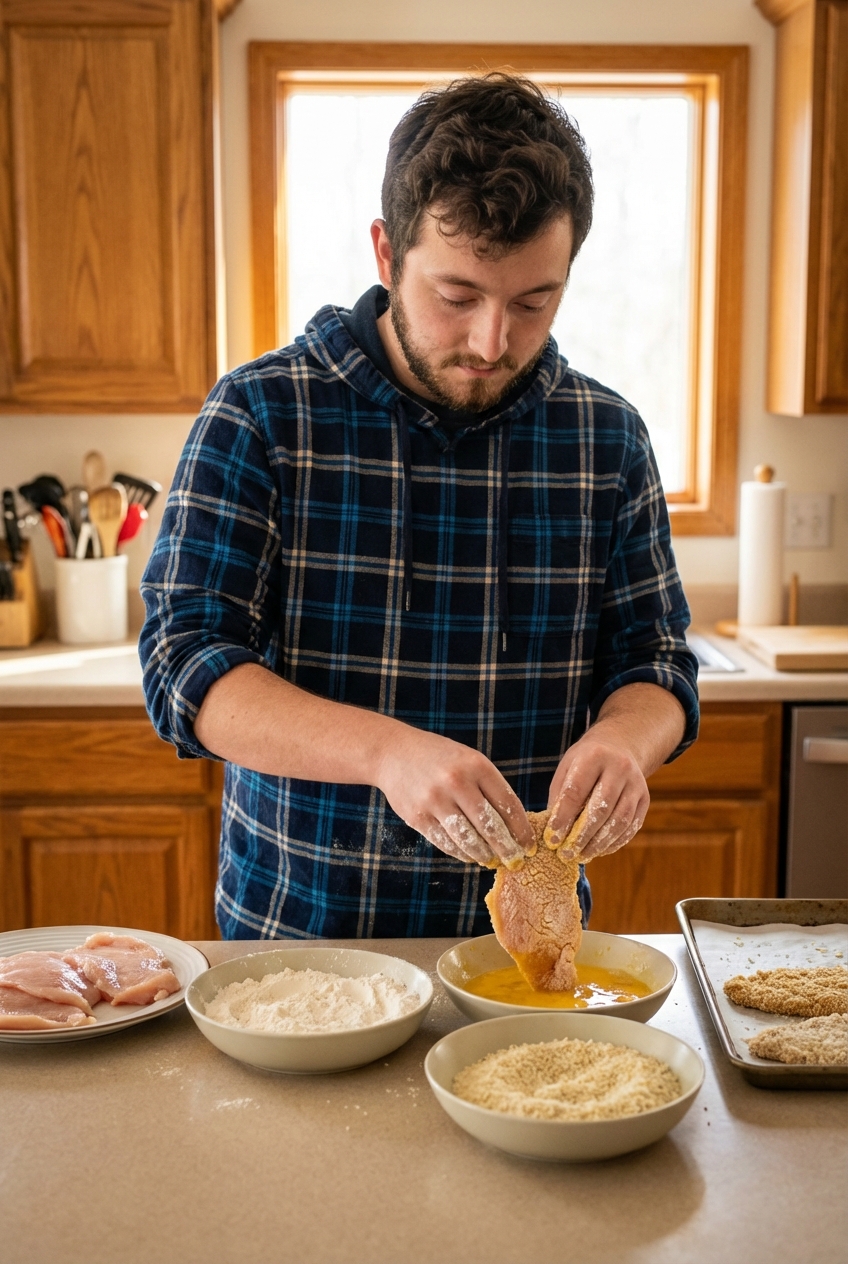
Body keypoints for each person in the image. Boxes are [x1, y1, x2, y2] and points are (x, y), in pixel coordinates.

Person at [140, 73, 699, 940]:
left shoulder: (606, 437)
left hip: (521, 960)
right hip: (304, 948)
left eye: (532, 303)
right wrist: (386, 752)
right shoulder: (262, 413)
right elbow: (185, 667)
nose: (491, 342)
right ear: (385, 253)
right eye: (457, 297)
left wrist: (627, 741)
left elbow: (657, 664)